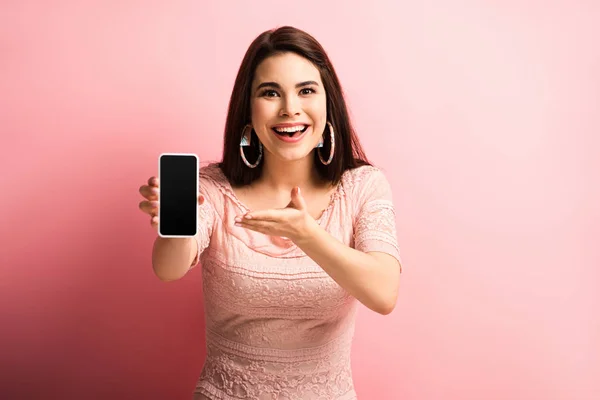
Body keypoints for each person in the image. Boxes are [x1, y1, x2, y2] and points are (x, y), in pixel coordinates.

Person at [138, 26, 402, 400]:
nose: (289, 108)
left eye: (306, 90)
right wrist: (173, 226)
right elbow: (168, 269)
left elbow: (384, 293)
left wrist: (308, 235)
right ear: (248, 107)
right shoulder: (212, 189)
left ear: (330, 105)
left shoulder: (362, 186)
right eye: (270, 92)